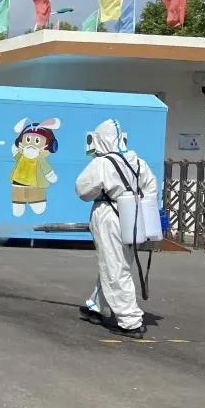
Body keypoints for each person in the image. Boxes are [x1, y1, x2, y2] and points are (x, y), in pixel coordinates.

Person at [74, 119, 158, 339]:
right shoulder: (139, 162)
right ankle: (96, 306)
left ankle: (130, 320)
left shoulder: (102, 163)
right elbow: (151, 188)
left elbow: (83, 190)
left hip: (109, 215)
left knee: (114, 265)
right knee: (121, 262)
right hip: (134, 216)